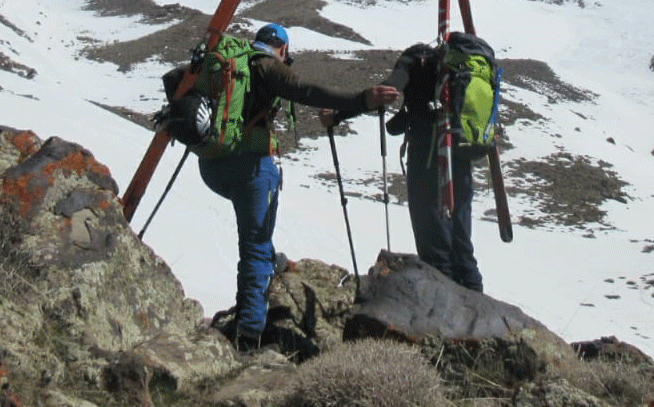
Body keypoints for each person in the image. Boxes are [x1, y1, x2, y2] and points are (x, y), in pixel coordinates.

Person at [170, 23, 398, 349]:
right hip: (251, 166)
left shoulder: (227, 63)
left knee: (256, 239)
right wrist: (362, 100)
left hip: (211, 165)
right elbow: (306, 91)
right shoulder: (266, 66)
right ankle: (249, 333)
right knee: (254, 244)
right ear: (283, 50)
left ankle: (268, 267)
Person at [381, 42, 485, 292]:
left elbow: (390, 86)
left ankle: (445, 317)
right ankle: (476, 307)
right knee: (461, 243)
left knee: (434, 244)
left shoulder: (414, 59)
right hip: (460, 161)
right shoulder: (461, 66)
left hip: (427, 162)